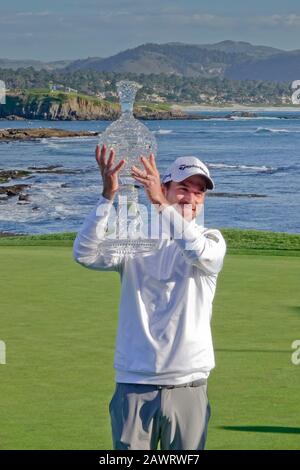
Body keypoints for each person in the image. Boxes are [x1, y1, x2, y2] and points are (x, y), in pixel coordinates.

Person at [73, 144, 226, 450]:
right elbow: (84, 254)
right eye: (184, 189)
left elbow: (195, 250)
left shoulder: (212, 240)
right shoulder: (134, 241)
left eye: (199, 193)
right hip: (134, 382)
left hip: (189, 384)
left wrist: (159, 206)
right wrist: (107, 197)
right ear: (165, 188)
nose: (192, 198)